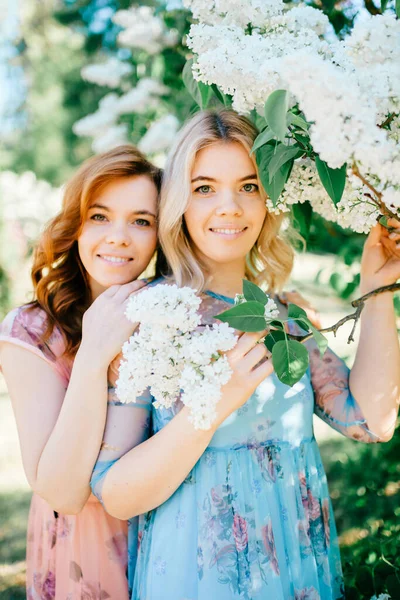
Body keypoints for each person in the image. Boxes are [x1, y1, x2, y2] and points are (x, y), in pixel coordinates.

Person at [90, 110, 400, 600]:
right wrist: (214, 403)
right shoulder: (150, 316)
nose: (230, 206)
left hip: (298, 573)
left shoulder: (284, 318)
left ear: (268, 199)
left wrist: (377, 290)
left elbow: (370, 420)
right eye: (205, 187)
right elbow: (116, 493)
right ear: (178, 202)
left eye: (249, 186)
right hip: (198, 579)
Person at [0, 145, 165, 599]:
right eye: (99, 216)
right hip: (84, 553)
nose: (118, 236)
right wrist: (93, 352)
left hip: (172, 535)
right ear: (75, 224)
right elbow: (63, 491)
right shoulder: (31, 333)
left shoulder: (173, 314)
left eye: (141, 221)